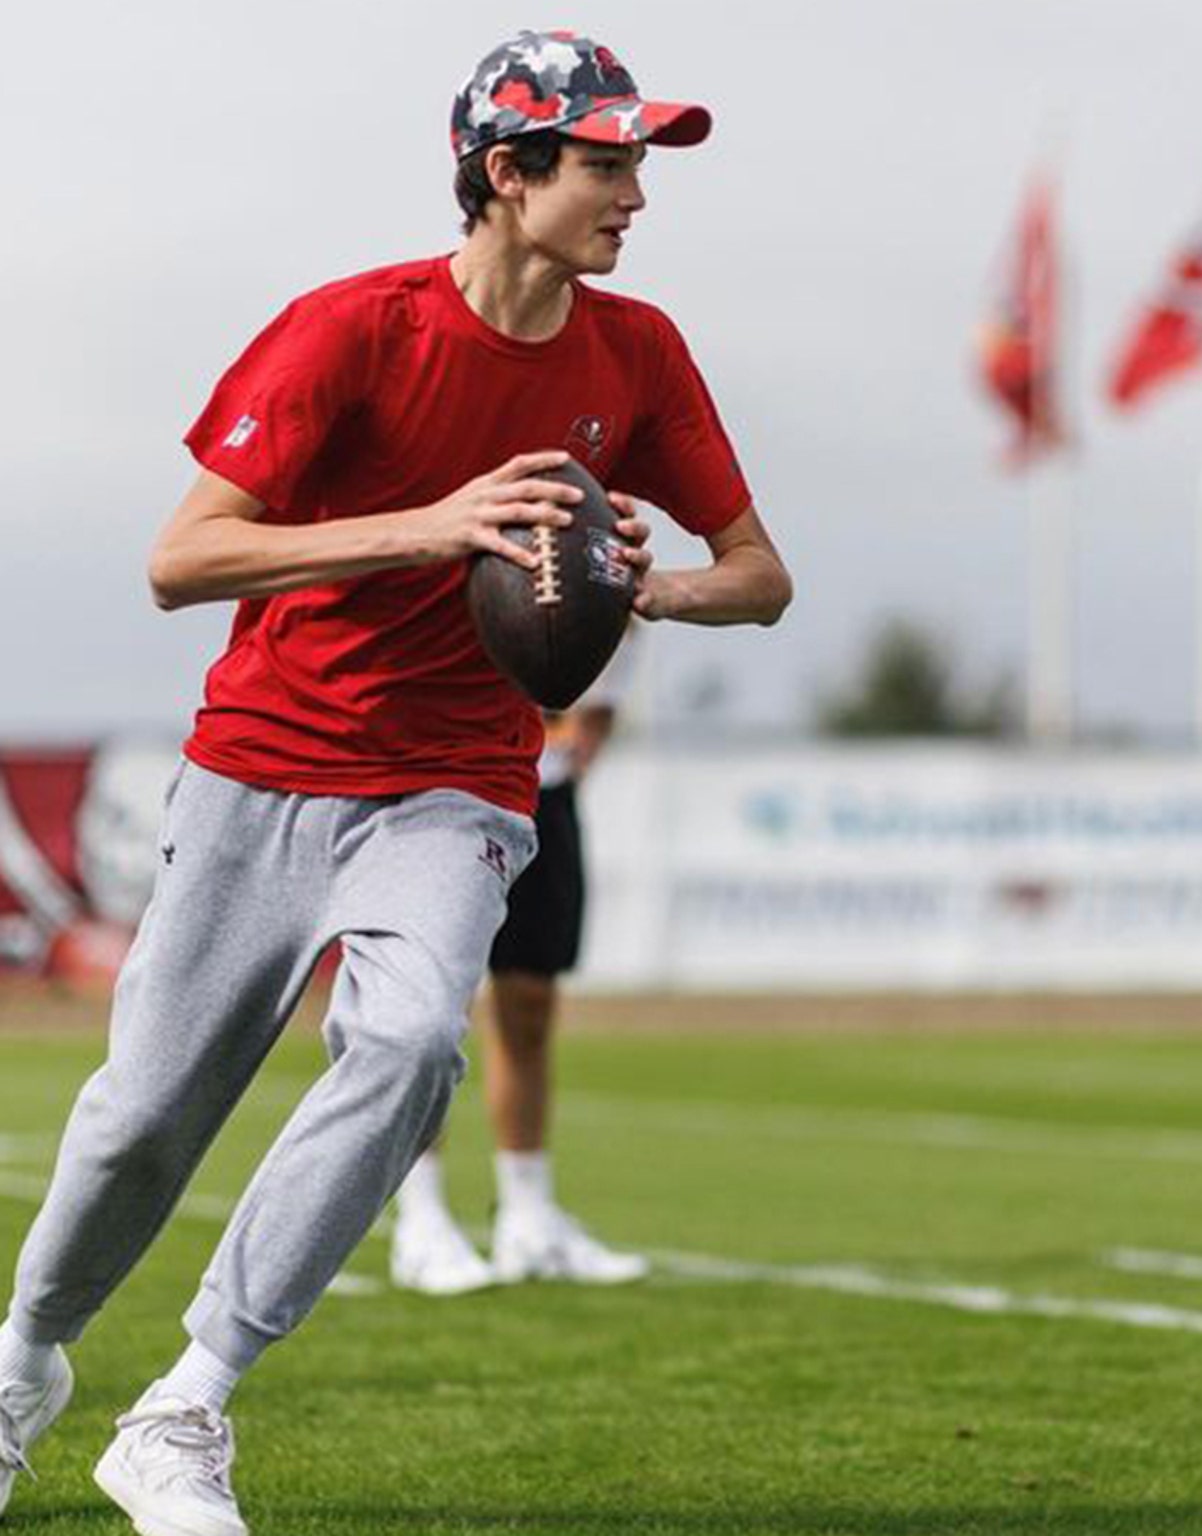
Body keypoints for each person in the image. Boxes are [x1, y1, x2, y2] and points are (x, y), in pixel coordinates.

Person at [0, 30, 791, 1536]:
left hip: (460, 784)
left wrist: (652, 582)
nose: (636, 193)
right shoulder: (353, 329)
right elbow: (183, 559)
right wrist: (430, 526)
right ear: (509, 172)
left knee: (415, 1041)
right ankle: (24, 1365)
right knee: (140, 1123)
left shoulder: (640, 352)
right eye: (607, 161)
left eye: (639, 163)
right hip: (261, 771)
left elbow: (762, 577)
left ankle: (183, 1409)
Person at [389, 684, 650, 1294]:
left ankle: (528, 1218)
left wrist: (581, 739)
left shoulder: (623, 589)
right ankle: (420, 1219)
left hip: (541, 788)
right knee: (430, 1006)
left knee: (531, 1003)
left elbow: (606, 673)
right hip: (445, 782)